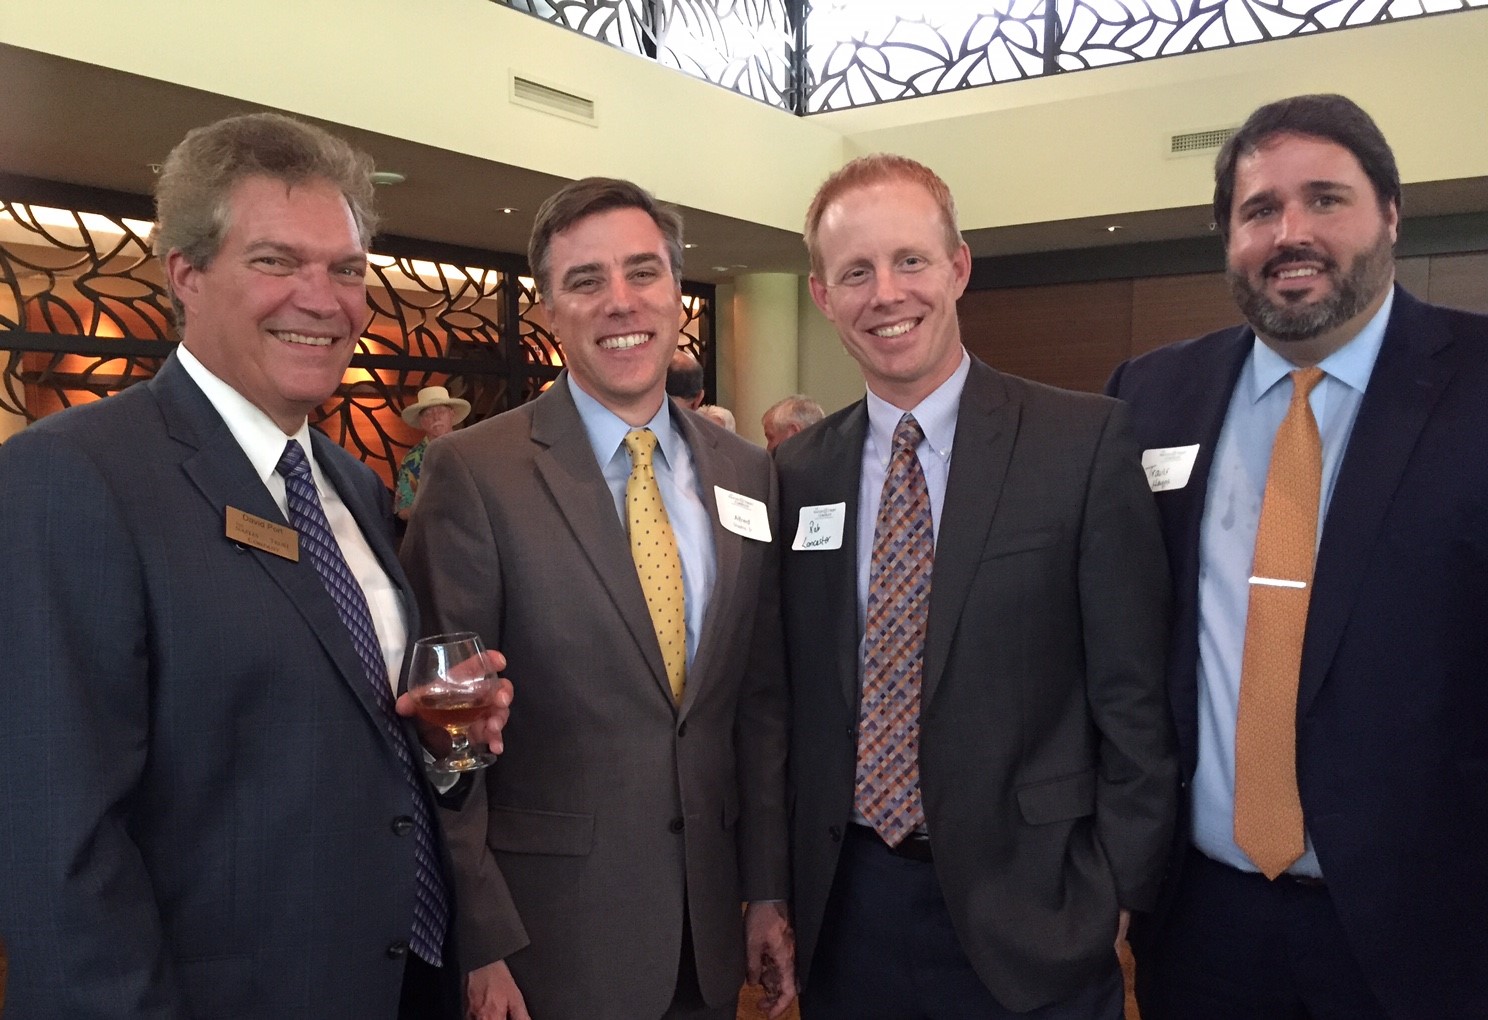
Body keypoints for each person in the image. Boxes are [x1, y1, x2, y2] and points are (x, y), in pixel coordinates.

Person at [0, 112, 510, 1019]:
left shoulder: (348, 481)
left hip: (400, 983)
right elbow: (58, 844)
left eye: (347, 269)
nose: (324, 299)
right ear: (185, 276)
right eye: (276, 260)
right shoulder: (73, 477)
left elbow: (334, 732)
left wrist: (439, 740)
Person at [1107, 93, 1488, 1019]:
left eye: (1326, 199)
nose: (1291, 233)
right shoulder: (1152, 395)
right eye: (1259, 210)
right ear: (1227, 236)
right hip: (1197, 924)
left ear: (1390, 213)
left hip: (1423, 932)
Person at [777, 153, 1176, 1019]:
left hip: (1037, 905)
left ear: (958, 267)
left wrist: (1117, 891)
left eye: (911, 261)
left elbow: (1133, 693)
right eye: (856, 272)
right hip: (848, 911)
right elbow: (791, 697)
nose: (887, 293)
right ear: (823, 297)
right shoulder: (800, 471)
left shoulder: (1081, 443)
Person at [401, 177, 795, 1020]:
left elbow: (756, 705)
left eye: (643, 273)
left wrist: (765, 890)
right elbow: (447, 734)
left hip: (708, 934)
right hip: (549, 943)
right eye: (586, 281)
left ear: (678, 296)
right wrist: (482, 938)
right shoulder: (475, 475)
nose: (621, 303)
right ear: (548, 308)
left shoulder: (745, 472)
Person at [395, 384, 472, 520]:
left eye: (441, 411)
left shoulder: (470, 448)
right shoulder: (412, 460)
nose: (435, 417)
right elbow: (403, 510)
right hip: (432, 531)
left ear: (451, 414)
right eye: (428, 413)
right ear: (421, 421)